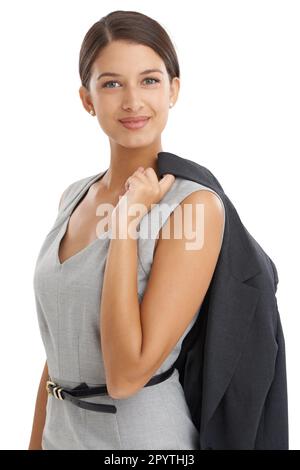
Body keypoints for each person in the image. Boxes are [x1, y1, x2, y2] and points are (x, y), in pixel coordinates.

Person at [28, 10, 225, 450]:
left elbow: (126, 374)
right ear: (87, 98)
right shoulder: (73, 197)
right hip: (61, 433)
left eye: (150, 80)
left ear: (173, 90)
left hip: (140, 441)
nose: (133, 101)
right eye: (112, 83)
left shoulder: (193, 208)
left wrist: (124, 228)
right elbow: (60, 344)